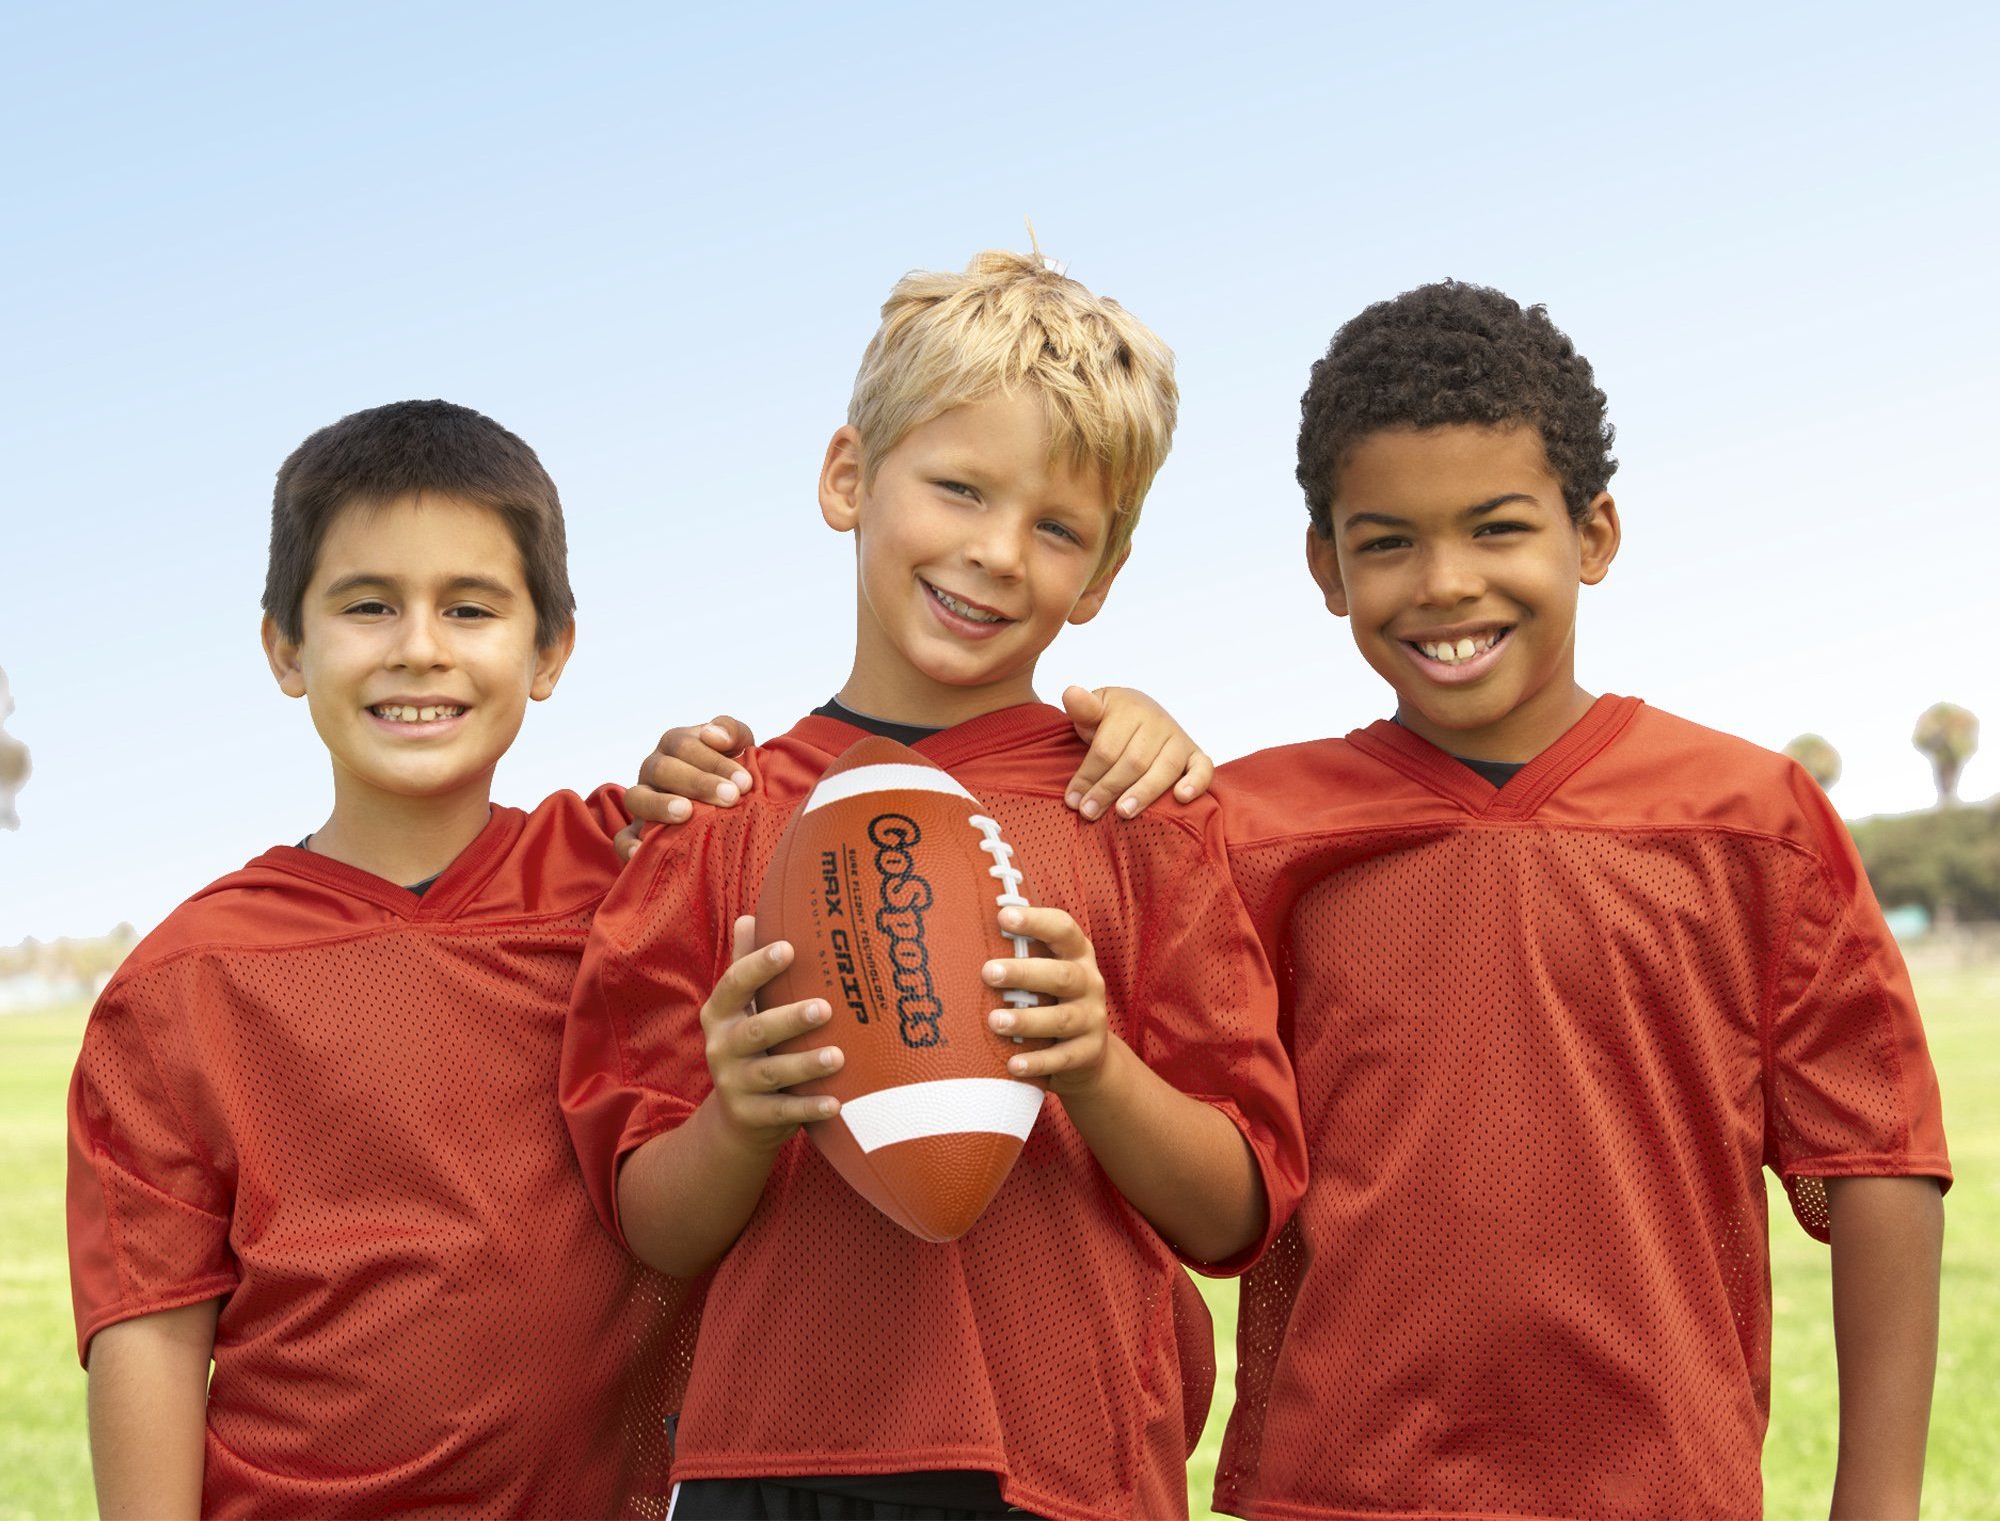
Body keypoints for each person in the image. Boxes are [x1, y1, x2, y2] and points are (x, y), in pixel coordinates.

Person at [64, 396, 1213, 1521]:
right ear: (283, 646)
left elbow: (846, 836)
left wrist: (1133, 727)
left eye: (470, 609)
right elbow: (153, 1328)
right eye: (368, 605)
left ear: (551, 648)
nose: (419, 649)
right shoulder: (182, 982)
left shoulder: (641, 858)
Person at [561, 249, 1307, 1521]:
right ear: (849, 477)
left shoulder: (1134, 808)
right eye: (958, 487)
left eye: (1056, 525)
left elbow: (1237, 1210)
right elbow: (651, 1224)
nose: (996, 552)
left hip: (1067, 1466)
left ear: (1104, 572)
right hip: (767, 1467)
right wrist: (739, 1113)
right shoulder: (718, 813)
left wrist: (1096, 1064)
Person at [1211, 281, 1950, 1521]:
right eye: (1385, 539)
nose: (1443, 582)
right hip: (1338, 1490)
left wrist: (1873, 1503)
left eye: (1496, 527)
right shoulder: (1242, 826)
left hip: (1658, 1487)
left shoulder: (1745, 814)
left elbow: (1873, 1157)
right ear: (1324, 566)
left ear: (1590, 534)